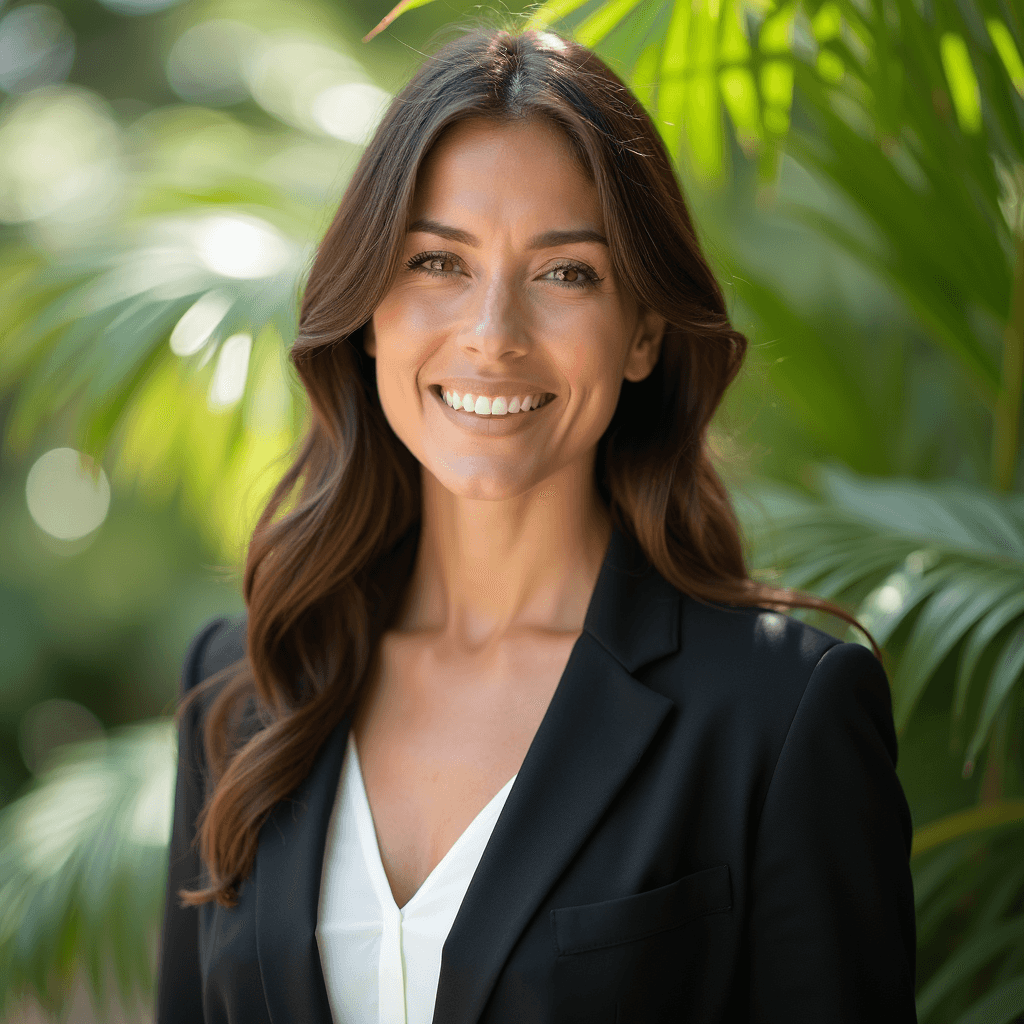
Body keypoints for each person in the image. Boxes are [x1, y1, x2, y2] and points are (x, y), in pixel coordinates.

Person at [155, 26, 917, 1024]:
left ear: (643, 330)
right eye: (438, 262)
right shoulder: (244, 690)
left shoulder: (777, 715)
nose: (491, 334)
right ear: (370, 309)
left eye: (565, 273)